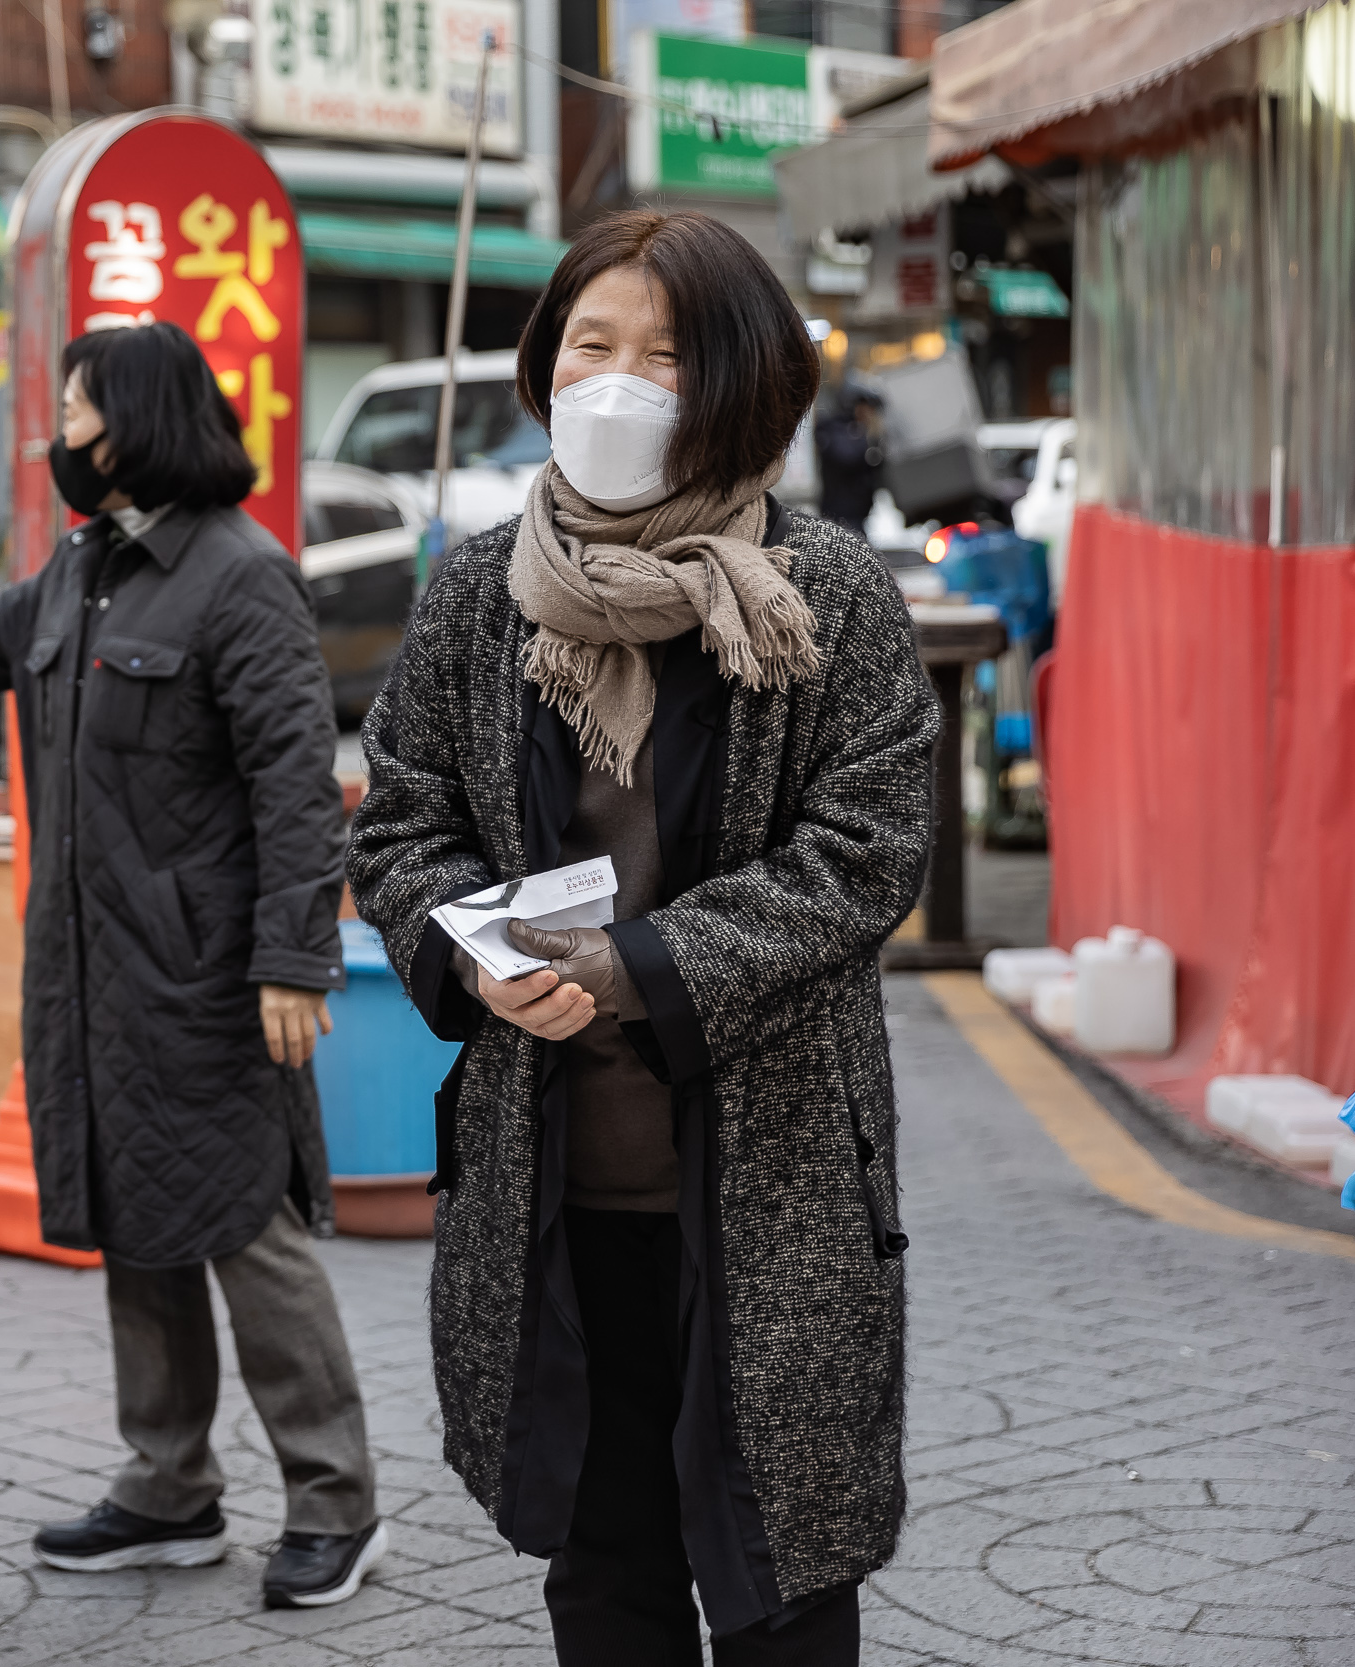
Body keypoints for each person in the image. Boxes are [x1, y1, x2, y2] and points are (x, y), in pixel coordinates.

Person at [347, 211, 939, 1665]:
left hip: (773, 1183)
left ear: (740, 381)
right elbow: (401, 824)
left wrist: (638, 968)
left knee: (782, 1561)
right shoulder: (482, 592)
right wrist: (475, 953)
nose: (617, 382)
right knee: (604, 1568)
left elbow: (863, 854)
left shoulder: (830, 596)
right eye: (590, 346)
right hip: (552, 1180)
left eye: (664, 356)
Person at [0, 322, 384, 1610]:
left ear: (138, 419)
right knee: (137, 1217)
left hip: (210, 982)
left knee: (245, 1234)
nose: (66, 437)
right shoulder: (82, 570)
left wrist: (292, 963)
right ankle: (168, 1487)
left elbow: (294, 786)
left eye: (83, 409)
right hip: (88, 976)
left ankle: (335, 1501)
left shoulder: (239, 574)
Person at [814, 378, 886, 537]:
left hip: (859, 516)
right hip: (839, 518)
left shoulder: (859, 433)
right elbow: (846, 456)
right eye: (868, 409)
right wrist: (869, 439)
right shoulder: (835, 430)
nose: (870, 415)